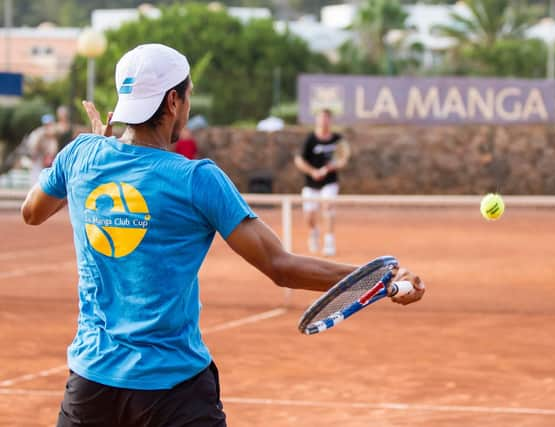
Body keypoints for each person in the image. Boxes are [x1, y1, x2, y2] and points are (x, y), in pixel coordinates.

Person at [20, 43, 424, 427]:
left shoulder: (79, 155)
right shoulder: (196, 179)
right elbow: (281, 266)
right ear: (173, 102)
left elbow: (32, 212)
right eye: (188, 95)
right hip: (174, 391)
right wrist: (381, 278)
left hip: (91, 386)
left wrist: (91, 156)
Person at [294, 109, 350, 256]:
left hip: (330, 182)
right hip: (311, 184)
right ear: (317, 121)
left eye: (326, 118)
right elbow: (299, 160)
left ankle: (329, 242)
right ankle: (314, 232)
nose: (324, 121)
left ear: (330, 121)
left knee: (328, 207)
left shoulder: (337, 138)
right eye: (321, 118)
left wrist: (332, 166)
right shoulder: (310, 139)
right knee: (309, 216)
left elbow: (343, 160)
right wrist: (313, 172)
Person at [26, 113, 58, 185]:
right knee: (36, 182)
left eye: (50, 123)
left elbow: (53, 150)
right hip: (38, 160)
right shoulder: (38, 133)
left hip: (48, 162)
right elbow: (33, 148)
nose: (48, 125)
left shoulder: (54, 135)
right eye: (47, 124)